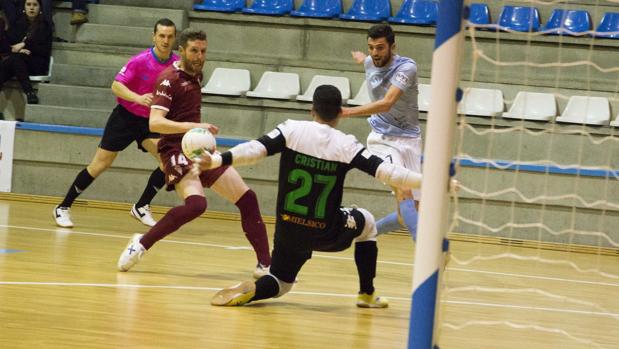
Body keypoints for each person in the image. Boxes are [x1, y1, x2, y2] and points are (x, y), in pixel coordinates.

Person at [206, 85, 424, 308]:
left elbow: (255, 149)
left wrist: (218, 160)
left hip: (288, 229)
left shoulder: (291, 130)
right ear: (340, 112)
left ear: (312, 109)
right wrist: (428, 181)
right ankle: (366, 294)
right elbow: (389, 172)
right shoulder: (346, 144)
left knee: (280, 283)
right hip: (326, 231)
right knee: (367, 221)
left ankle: (256, 291)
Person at [116, 28, 271, 278]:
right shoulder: (168, 79)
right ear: (182, 51)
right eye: (194, 51)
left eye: (203, 51)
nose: (199, 56)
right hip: (174, 149)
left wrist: (199, 134)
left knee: (248, 198)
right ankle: (141, 243)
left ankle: (266, 265)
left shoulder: (197, 75)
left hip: (198, 147)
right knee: (197, 204)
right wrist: (192, 127)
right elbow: (154, 123)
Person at [53, 18, 178, 228]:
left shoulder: (176, 64)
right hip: (125, 117)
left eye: (169, 36)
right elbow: (116, 86)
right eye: (161, 36)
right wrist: (138, 98)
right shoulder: (140, 60)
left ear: (174, 38)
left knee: (168, 161)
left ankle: (141, 206)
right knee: (100, 164)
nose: (165, 40)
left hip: (150, 122)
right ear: (153, 37)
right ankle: (63, 207)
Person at [340, 24, 422, 240]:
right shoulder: (369, 61)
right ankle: (427, 251)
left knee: (409, 213)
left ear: (392, 46)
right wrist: (360, 57)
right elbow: (365, 61)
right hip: (381, 140)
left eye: (380, 48)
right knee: (403, 190)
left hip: (410, 140)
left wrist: (347, 111)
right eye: (370, 48)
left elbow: (386, 103)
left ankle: (364, 234)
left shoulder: (407, 68)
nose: (374, 53)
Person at [0, 0, 52, 106]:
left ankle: (29, 91)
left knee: (12, 61)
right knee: (14, 60)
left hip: (36, 63)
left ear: (40, 8)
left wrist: (24, 45)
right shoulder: (17, 24)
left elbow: (43, 50)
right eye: (28, 4)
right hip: (17, 62)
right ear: (24, 7)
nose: (31, 8)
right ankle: (29, 92)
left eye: (35, 5)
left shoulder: (45, 26)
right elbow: (6, 44)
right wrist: (17, 50)